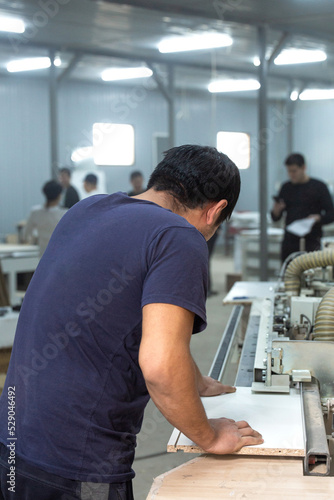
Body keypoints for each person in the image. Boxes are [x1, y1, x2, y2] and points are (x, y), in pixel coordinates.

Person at [0, 145, 262, 500]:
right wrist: (210, 435)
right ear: (215, 211)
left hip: (11, 442)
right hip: (78, 467)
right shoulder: (179, 237)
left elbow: (124, 319)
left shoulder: (87, 209)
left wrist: (195, 379)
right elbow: (159, 366)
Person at [271, 153, 334, 262]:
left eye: (294, 171)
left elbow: (331, 214)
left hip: (312, 241)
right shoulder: (286, 188)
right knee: (289, 274)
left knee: (311, 273)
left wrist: (318, 218)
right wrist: (276, 211)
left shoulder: (319, 187)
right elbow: (276, 217)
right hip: (290, 241)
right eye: (289, 171)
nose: (291, 174)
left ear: (303, 168)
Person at [24, 180, 67, 257]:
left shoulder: (35, 212)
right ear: (59, 196)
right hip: (61, 254)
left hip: (43, 254)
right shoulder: (64, 214)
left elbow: (26, 235)